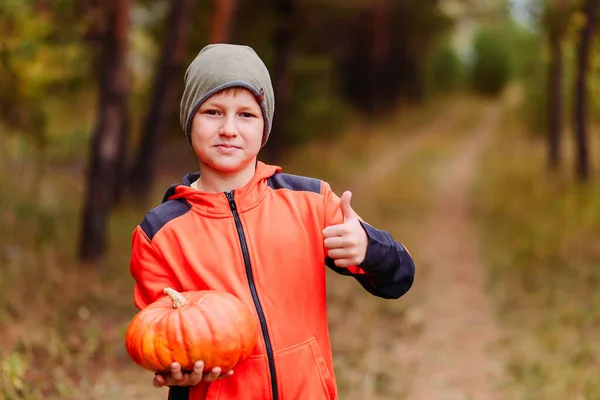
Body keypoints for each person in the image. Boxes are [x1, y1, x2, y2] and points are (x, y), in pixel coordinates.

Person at [129, 43, 415, 400]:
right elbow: (162, 339)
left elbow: (399, 278)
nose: (229, 129)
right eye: (213, 112)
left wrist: (368, 248)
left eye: (246, 114)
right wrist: (178, 372)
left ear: (264, 124)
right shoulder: (160, 233)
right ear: (189, 120)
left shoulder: (309, 202)